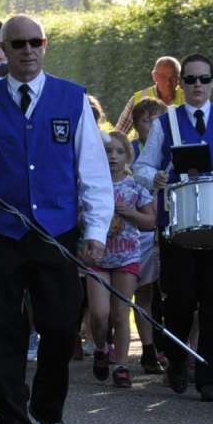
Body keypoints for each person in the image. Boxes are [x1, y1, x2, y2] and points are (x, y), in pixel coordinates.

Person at [0, 14, 113, 424]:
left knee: (60, 325)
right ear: (4, 52)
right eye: (17, 44)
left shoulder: (72, 98)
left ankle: (49, 409)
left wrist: (95, 231)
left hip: (55, 231)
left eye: (34, 42)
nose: (27, 50)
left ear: (45, 45)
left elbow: (93, 173)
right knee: (2, 330)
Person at [132, 53, 213, 402]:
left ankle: (211, 372)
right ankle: (178, 362)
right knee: (179, 302)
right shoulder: (165, 124)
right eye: (191, 79)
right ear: (180, 84)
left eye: (205, 79)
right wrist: (157, 176)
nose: (198, 85)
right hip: (177, 227)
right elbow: (141, 167)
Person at [88, 131, 156, 387]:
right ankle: (101, 348)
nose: (112, 157)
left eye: (118, 152)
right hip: (97, 256)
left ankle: (122, 365)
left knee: (120, 313)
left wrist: (130, 214)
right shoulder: (90, 186)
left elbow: (151, 221)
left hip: (127, 256)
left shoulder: (135, 188)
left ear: (128, 156)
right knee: (99, 314)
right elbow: (77, 215)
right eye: (107, 152)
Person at [129, 97, 169, 374]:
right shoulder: (130, 152)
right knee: (143, 293)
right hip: (140, 232)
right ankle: (148, 348)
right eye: (147, 121)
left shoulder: (170, 151)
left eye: (158, 121)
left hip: (165, 228)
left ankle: (167, 345)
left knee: (165, 294)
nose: (153, 126)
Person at [114, 56, 185, 134]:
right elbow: (119, 133)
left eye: (173, 78)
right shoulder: (138, 99)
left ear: (179, 79)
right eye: (163, 77)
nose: (168, 82)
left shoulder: (188, 98)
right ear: (154, 76)